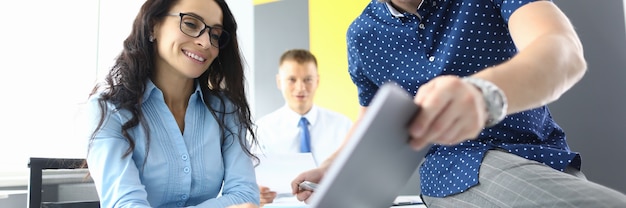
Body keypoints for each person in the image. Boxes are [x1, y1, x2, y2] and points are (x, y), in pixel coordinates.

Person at [290, 0, 626, 207]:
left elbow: (562, 51)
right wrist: (332, 166)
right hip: (456, 170)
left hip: (546, 156)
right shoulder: (363, 35)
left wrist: (483, 93)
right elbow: (369, 111)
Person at [82, 0, 260, 207]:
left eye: (215, 35)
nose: (205, 43)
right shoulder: (110, 110)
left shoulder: (226, 110)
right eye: (191, 24)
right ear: (152, 26)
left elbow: (245, 195)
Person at [254, 49, 353, 206]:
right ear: (279, 82)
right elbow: (252, 183)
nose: (300, 88)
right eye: (292, 80)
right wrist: (256, 194)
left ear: (317, 81)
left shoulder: (343, 126)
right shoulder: (261, 130)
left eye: (308, 79)